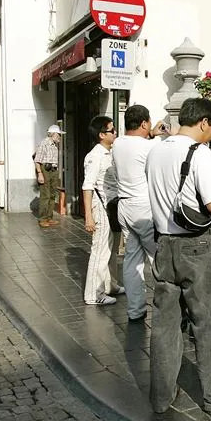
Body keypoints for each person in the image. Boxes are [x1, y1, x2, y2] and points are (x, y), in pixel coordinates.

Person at [145, 97, 211, 415]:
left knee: (164, 325)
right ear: (202, 123)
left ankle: (160, 397)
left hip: (164, 245)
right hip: (198, 248)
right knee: (208, 323)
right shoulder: (198, 154)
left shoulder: (156, 150)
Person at [113, 105, 170, 324]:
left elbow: (137, 144)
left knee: (132, 259)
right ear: (145, 123)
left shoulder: (118, 144)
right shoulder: (148, 149)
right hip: (143, 206)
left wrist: (152, 134)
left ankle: (135, 310)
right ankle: (167, 308)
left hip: (124, 205)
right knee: (159, 257)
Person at [82, 116, 124, 306]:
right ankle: (93, 294)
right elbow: (87, 187)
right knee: (99, 251)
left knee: (112, 249)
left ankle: (111, 285)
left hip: (112, 205)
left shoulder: (111, 153)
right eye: (111, 130)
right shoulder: (95, 156)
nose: (115, 133)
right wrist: (89, 216)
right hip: (100, 207)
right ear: (101, 135)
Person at [34, 125, 63, 228]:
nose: (60, 137)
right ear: (54, 134)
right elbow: (37, 160)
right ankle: (42, 219)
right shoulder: (44, 143)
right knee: (45, 195)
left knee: (52, 195)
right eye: (59, 134)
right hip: (45, 170)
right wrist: (40, 174)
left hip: (53, 170)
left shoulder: (54, 145)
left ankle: (49, 217)